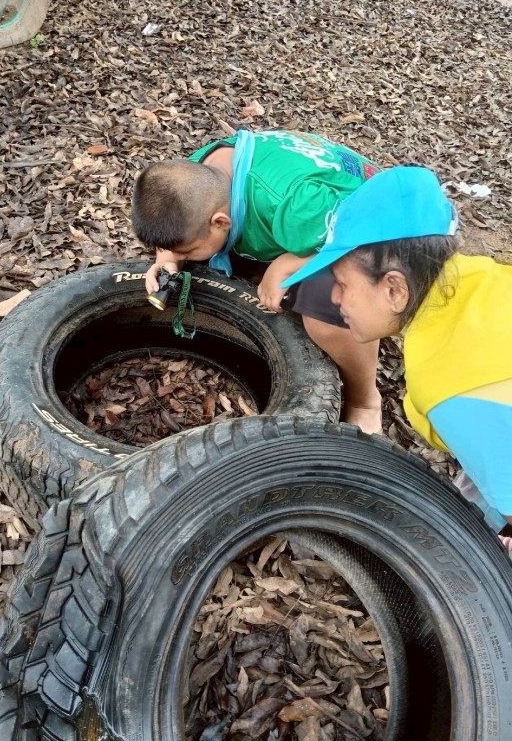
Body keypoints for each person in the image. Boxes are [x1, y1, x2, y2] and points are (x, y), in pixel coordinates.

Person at [281, 165, 512, 551]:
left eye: (342, 283)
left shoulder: (450, 385)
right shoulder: (488, 280)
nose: (334, 298)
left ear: (394, 290)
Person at [131, 129, 383, 434]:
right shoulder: (196, 174)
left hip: (378, 227)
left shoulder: (294, 205)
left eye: (184, 249)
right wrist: (167, 258)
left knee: (327, 301)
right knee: (200, 249)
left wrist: (287, 264)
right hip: (309, 215)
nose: (179, 255)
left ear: (221, 222)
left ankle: (366, 400)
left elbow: (370, 240)